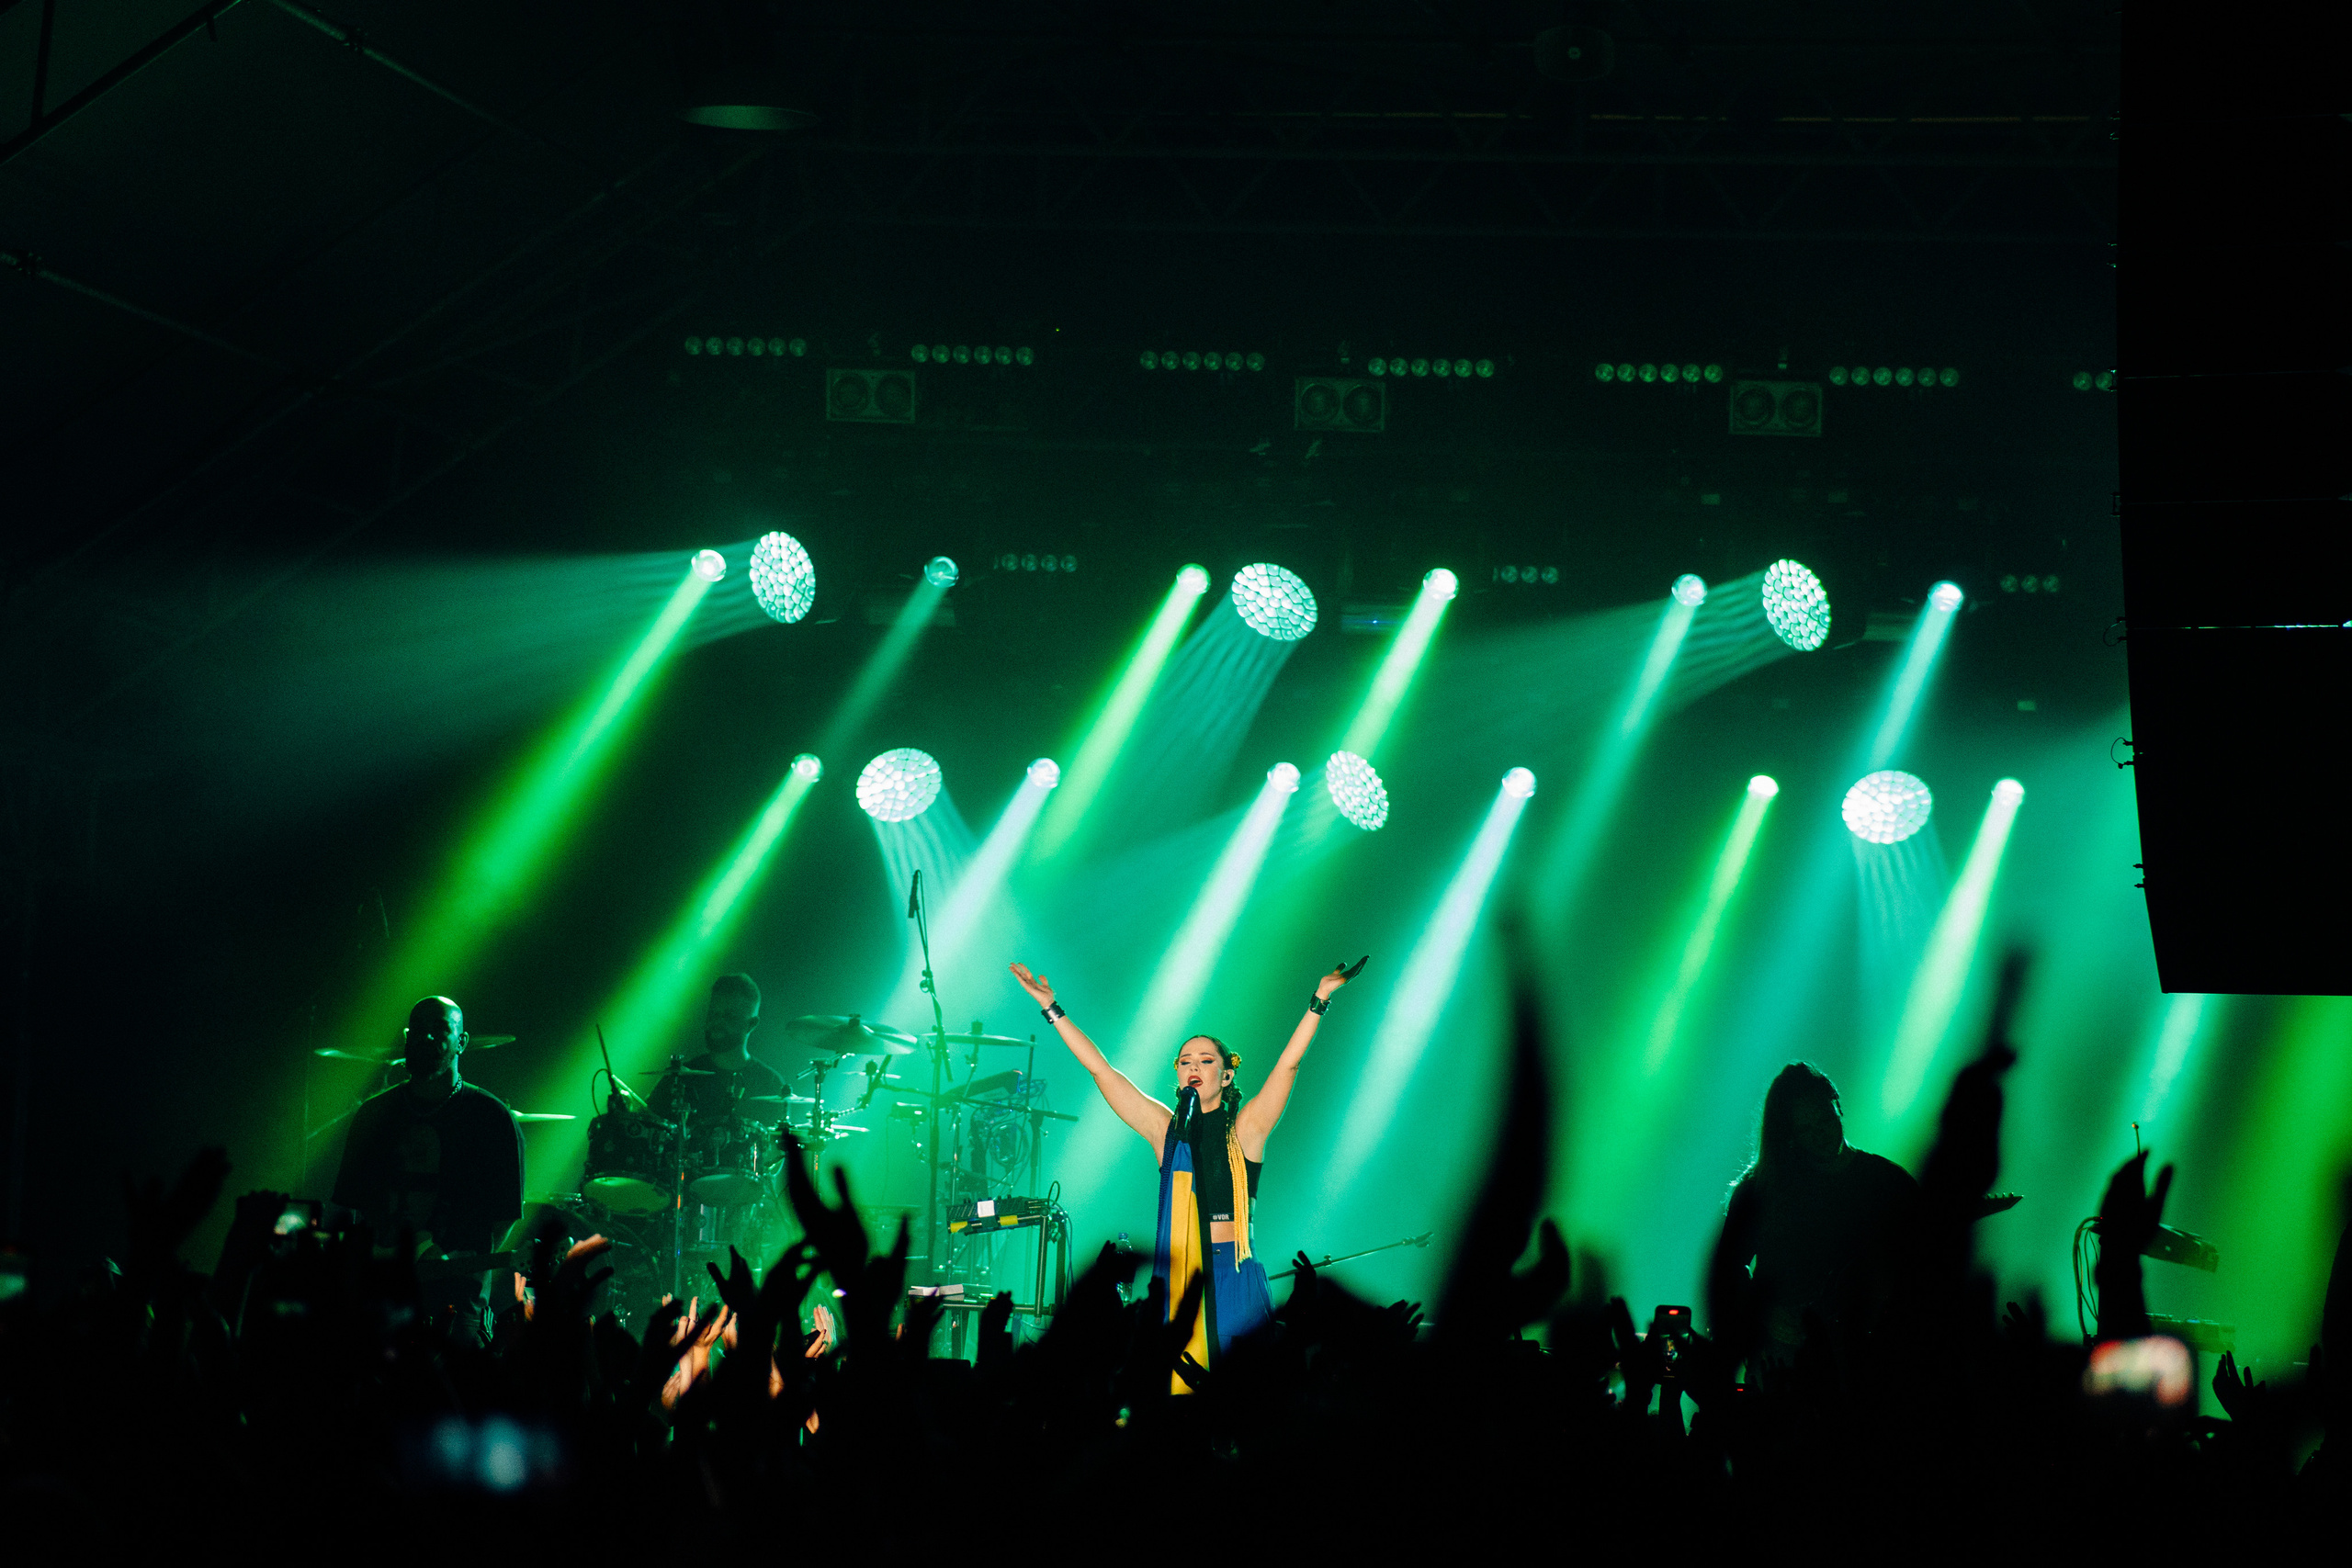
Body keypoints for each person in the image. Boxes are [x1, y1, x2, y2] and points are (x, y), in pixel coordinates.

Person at [1008, 956, 1362, 1390]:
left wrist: (1319, 1000)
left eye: (1206, 1061)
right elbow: (1101, 1070)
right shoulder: (1165, 1130)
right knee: (1172, 1405)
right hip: (1176, 1278)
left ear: (1227, 1075)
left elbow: (1286, 1067)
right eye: (1184, 1061)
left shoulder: (1245, 1131)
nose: (1193, 1066)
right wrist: (1052, 1009)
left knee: (1239, 1403)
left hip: (1233, 1277)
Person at [1708, 1062, 1917, 1378]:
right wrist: (1766, 1313)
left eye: (1823, 1119)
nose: (1819, 1134)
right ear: (1788, 1135)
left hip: (1865, 1359)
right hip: (1782, 1359)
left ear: (1838, 1107)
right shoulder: (1762, 1190)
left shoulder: (1887, 1182)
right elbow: (1727, 1269)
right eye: (1805, 1129)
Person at [332, 995, 525, 1337]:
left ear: (462, 1042)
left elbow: (504, 1216)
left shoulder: (492, 1119)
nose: (427, 1037)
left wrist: (457, 1268)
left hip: (455, 1303)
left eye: (440, 1029)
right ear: (407, 1037)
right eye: (417, 1029)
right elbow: (350, 1208)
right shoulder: (373, 1116)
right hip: (379, 1297)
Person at [647, 973, 789, 1125]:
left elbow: (778, 1146)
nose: (717, 1022)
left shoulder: (770, 1084)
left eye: (730, 1016)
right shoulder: (679, 1078)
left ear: (751, 1024)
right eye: (713, 1013)